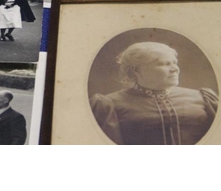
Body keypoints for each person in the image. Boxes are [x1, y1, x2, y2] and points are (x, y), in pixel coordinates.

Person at [90, 42, 218, 145]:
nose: (174, 69)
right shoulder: (109, 104)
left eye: (174, 63)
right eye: (165, 64)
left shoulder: (203, 98)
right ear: (137, 71)